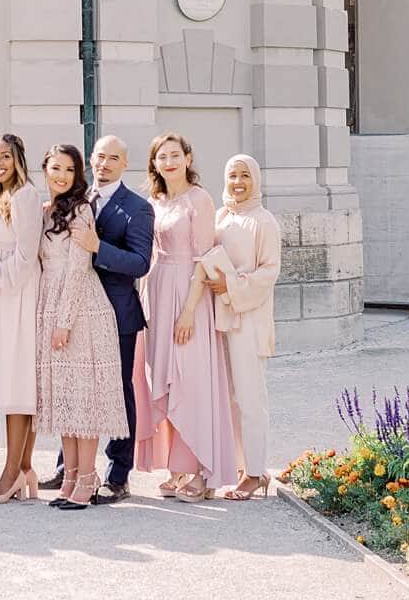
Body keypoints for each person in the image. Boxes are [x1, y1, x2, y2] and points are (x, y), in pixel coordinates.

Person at [42, 135, 155, 504]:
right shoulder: (76, 200)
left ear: (125, 163)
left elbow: (140, 262)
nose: (104, 164)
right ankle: (69, 471)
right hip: (73, 310)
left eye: (113, 159)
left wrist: (98, 248)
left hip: (116, 310)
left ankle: (117, 475)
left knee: (116, 392)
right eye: (99, 157)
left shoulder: (136, 207)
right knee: (73, 391)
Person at [134, 132, 235, 499]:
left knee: (190, 379)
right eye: (162, 156)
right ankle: (178, 466)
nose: (169, 161)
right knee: (160, 375)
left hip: (188, 292)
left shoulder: (200, 199)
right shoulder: (155, 201)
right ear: (154, 163)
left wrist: (190, 310)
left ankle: (199, 468)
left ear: (188, 158)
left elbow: (204, 259)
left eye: (175, 154)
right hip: (156, 290)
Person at [36, 143, 128, 511]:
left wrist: (64, 322)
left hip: (80, 310)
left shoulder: (80, 210)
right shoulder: (47, 212)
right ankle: (71, 475)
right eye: (55, 168)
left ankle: (87, 478)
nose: (61, 176)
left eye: (69, 170)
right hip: (49, 304)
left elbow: (77, 269)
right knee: (66, 398)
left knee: (83, 397)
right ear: (44, 170)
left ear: (78, 175)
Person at [197, 154, 281, 499]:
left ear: (255, 180)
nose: (238, 182)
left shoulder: (264, 221)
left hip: (248, 317)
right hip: (219, 317)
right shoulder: (219, 217)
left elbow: (269, 272)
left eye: (245, 175)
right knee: (226, 397)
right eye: (232, 175)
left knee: (249, 397)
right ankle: (235, 465)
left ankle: (257, 471)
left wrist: (231, 287)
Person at [0, 132, 42, 501]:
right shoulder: (0, 198)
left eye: (5, 157)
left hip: (18, 297)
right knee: (12, 381)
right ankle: (25, 468)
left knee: (17, 384)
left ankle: (11, 472)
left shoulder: (25, 196)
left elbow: (26, 255)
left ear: (19, 158)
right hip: (2, 299)